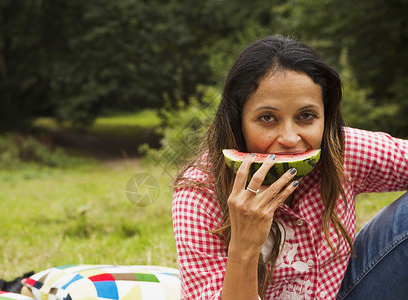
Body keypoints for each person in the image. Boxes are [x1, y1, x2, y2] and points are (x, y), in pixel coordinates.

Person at [172, 34, 408, 300]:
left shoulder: (340, 149)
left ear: (325, 117)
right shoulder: (199, 194)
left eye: (306, 116)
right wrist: (244, 247)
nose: (289, 138)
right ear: (238, 122)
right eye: (267, 118)